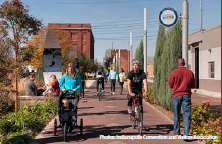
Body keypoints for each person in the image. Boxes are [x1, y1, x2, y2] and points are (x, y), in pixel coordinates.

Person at [168, 58, 195, 137]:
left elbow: (170, 84)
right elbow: (193, 85)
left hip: (176, 95)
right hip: (186, 95)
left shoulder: (174, 72)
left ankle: (177, 132)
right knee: (187, 114)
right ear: (185, 64)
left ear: (177, 64)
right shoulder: (190, 72)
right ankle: (186, 133)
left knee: (176, 114)